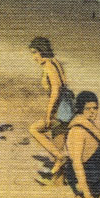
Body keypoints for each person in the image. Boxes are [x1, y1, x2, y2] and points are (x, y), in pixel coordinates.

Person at [26, 37, 73, 179]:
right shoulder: (55, 62)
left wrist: (48, 114)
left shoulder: (49, 67)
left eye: (35, 53)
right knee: (57, 143)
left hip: (61, 110)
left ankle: (60, 158)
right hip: (67, 107)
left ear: (42, 51)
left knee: (34, 129)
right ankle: (57, 181)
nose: (34, 57)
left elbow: (56, 91)